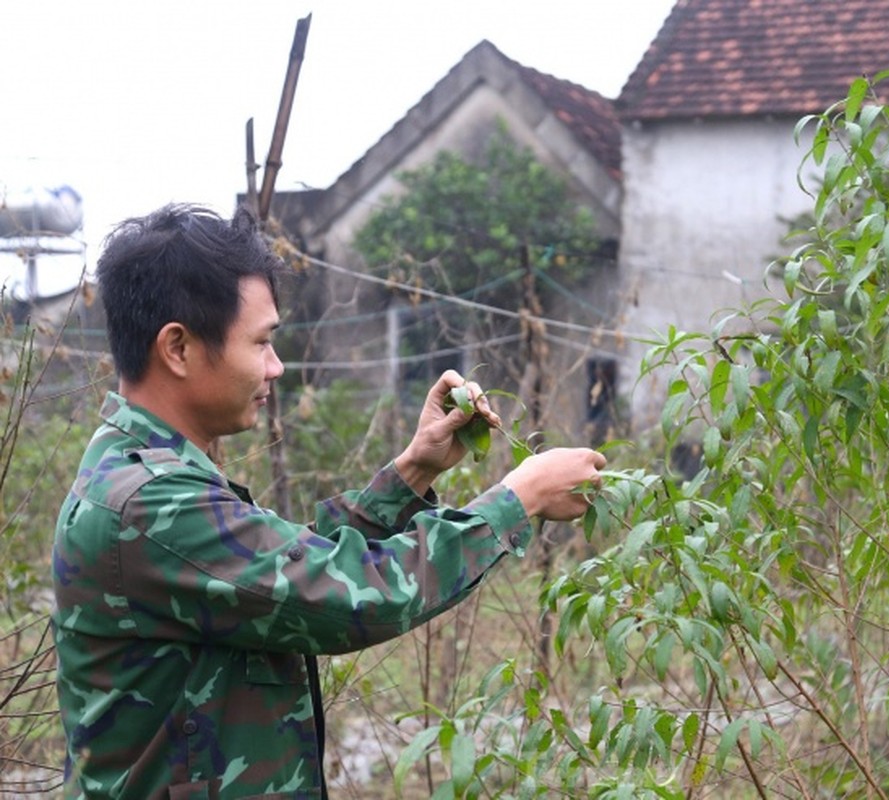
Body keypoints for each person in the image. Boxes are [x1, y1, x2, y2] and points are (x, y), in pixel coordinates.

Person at [51, 203, 606, 799]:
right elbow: (351, 595)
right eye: (261, 343)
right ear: (178, 348)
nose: (276, 366)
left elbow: (283, 567)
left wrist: (412, 471)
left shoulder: (146, 472)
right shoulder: (148, 504)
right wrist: (517, 500)